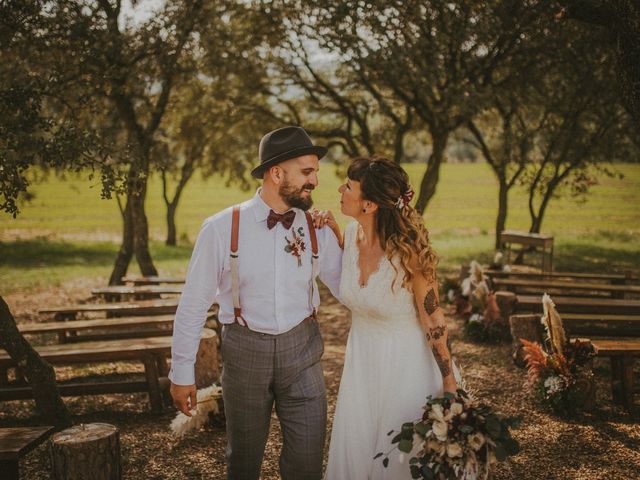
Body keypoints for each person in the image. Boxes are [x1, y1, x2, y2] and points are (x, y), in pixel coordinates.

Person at [169, 126, 343, 480]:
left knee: (308, 461)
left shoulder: (316, 227)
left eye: (316, 173)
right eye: (307, 172)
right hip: (244, 352)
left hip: (304, 351)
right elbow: (193, 304)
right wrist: (182, 373)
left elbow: (348, 288)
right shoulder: (220, 228)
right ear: (276, 173)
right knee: (243, 460)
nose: (315, 182)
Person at [319, 156, 458, 479]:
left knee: (397, 461)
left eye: (349, 186)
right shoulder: (352, 235)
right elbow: (353, 283)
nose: (340, 189)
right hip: (361, 368)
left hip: (405, 371)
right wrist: (333, 234)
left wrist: (448, 381)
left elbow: (434, 320)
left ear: (369, 205)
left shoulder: (409, 254)